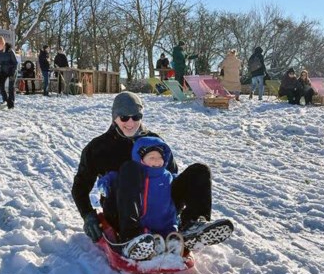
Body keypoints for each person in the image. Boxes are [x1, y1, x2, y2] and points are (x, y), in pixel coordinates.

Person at [72, 92, 221, 261]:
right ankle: (132, 237)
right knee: (130, 169)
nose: (130, 123)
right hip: (120, 212)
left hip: (158, 207)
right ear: (114, 117)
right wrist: (88, 215)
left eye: (136, 117)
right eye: (124, 117)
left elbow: (170, 175)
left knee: (199, 171)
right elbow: (80, 187)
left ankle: (193, 227)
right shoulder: (98, 148)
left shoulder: (155, 142)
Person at [97, 136, 185, 259]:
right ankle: (135, 240)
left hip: (164, 224)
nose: (156, 161)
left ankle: (181, 235)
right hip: (140, 226)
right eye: (152, 158)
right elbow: (111, 178)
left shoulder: (168, 176)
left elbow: (181, 186)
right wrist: (104, 184)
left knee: (199, 170)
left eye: (160, 157)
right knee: (128, 170)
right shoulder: (132, 174)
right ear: (141, 159)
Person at [0, 36, 18, 109]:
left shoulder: (10, 51)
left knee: (11, 87)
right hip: (3, 70)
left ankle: (11, 104)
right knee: (1, 86)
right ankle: (5, 101)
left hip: (12, 70)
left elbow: (15, 63)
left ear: (4, 44)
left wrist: (13, 74)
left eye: (1, 45)